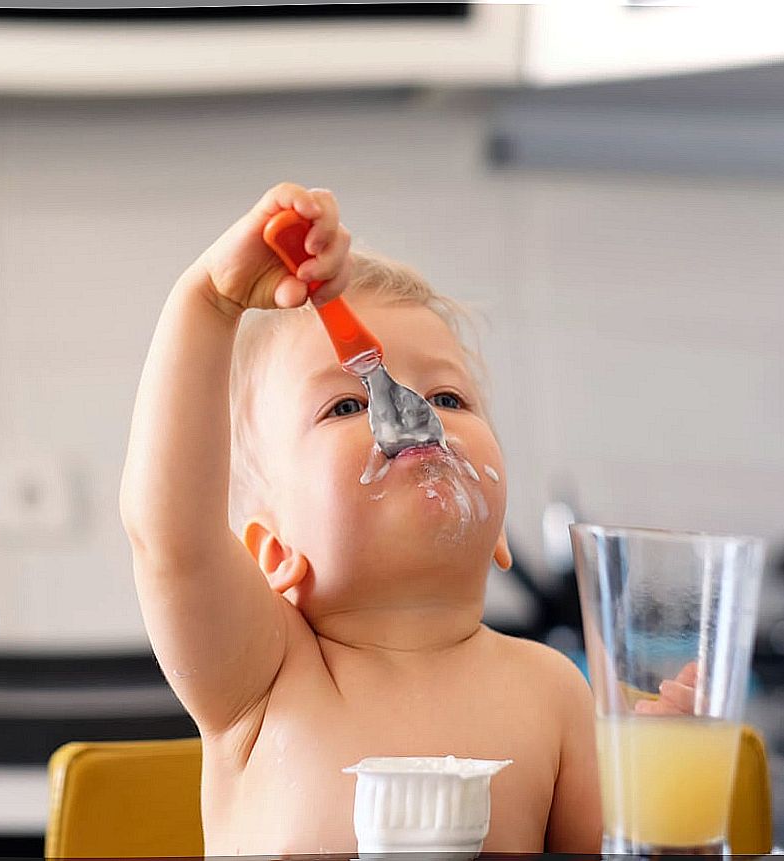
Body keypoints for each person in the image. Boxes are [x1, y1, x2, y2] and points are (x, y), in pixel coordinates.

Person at [120, 182, 602, 854]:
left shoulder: (555, 693)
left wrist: (656, 802)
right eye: (346, 405)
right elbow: (170, 538)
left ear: (499, 533)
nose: (418, 415)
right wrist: (209, 301)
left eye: (449, 395)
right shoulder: (262, 675)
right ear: (273, 551)